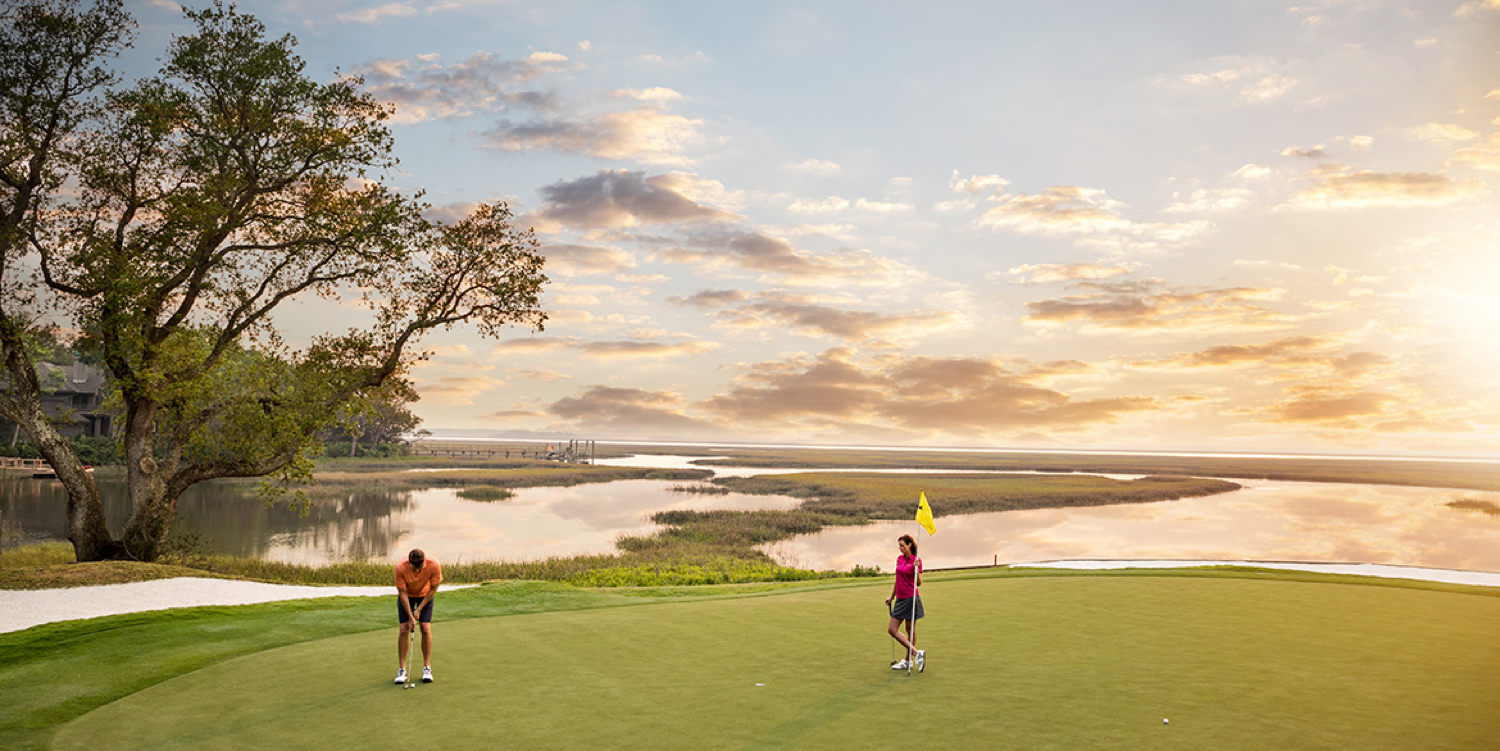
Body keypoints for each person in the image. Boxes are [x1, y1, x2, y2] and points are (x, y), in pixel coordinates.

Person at [394, 548, 442, 684]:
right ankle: (401, 670)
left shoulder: (434, 565)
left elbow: (433, 589)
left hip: (425, 596)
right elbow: (402, 593)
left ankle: (427, 668)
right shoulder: (400, 567)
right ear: (409, 563)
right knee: (404, 629)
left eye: (419, 568)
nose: (416, 571)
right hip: (407, 597)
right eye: (413, 568)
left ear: (424, 563)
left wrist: (419, 610)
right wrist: (410, 616)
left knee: (425, 629)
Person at [884, 534, 925, 671]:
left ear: (909, 545)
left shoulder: (916, 560)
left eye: (902, 545)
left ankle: (908, 660)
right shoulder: (899, 559)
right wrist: (892, 597)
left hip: (911, 598)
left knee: (909, 629)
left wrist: (916, 570)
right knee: (892, 629)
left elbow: (918, 583)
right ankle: (916, 653)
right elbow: (898, 579)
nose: (900, 548)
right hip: (900, 599)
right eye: (899, 546)